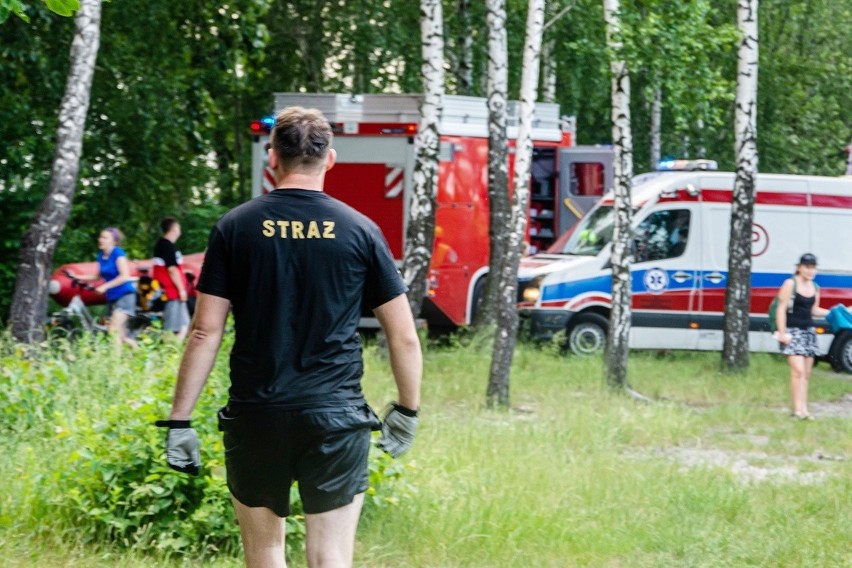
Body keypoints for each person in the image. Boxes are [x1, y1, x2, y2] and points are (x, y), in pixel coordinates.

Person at [156, 106, 422, 568]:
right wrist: (407, 408)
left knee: (264, 554)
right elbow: (403, 336)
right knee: (331, 557)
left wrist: (180, 420)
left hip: (257, 414)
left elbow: (204, 331)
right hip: (336, 416)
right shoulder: (361, 229)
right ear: (330, 159)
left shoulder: (235, 227)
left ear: (273, 159)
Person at [775, 253, 828, 420]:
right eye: (807, 267)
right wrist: (782, 332)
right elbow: (781, 308)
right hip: (792, 332)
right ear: (799, 267)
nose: (810, 271)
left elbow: (814, 310)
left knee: (806, 373)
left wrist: (835, 312)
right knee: (797, 371)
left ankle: (804, 410)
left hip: (808, 332)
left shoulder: (815, 287)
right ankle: (796, 410)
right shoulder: (790, 284)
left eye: (813, 267)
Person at [67, 227, 138, 351]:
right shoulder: (101, 255)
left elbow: (124, 276)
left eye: (105, 237)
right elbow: (98, 276)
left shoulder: (118, 253)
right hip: (112, 298)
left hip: (125, 296)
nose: (100, 240)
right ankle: (139, 352)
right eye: (100, 237)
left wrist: (105, 286)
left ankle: (115, 365)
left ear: (114, 241)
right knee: (119, 335)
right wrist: (78, 277)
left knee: (113, 330)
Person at [153, 217, 191, 341]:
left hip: (175, 292)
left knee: (185, 324)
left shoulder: (168, 245)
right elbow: (172, 269)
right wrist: (181, 290)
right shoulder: (166, 245)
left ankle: (175, 350)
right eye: (178, 228)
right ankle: (169, 351)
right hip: (172, 292)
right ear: (174, 229)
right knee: (172, 327)